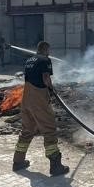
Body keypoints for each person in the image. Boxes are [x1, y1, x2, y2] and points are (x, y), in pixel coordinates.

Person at [12, 41, 69, 176]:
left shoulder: (29, 60)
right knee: (49, 129)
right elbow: (45, 77)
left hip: (26, 97)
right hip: (38, 97)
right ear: (46, 49)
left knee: (27, 129)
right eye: (48, 50)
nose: (49, 52)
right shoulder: (45, 59)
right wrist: (51, 89)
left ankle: (18, 161)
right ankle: (56, 166)